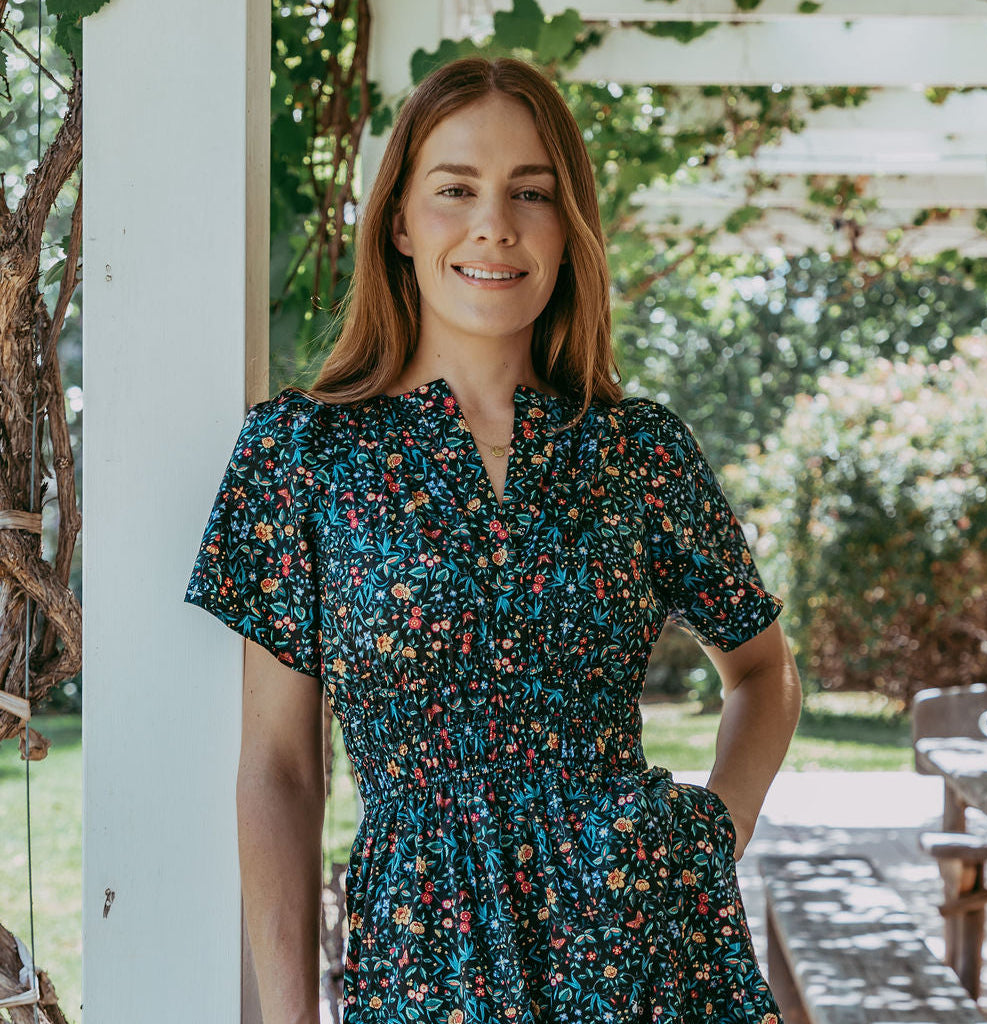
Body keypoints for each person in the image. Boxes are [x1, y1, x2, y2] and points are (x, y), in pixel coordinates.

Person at [184, 55, 802, 1024]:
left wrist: (711, 829)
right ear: (398, 220)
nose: (494, 224)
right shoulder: (300, 452)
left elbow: (763, 670)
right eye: (456, 188)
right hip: (426, 953)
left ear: (568, 228)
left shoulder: (637, 449)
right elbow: (279, 768)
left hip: (645, 948)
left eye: (531, 192)